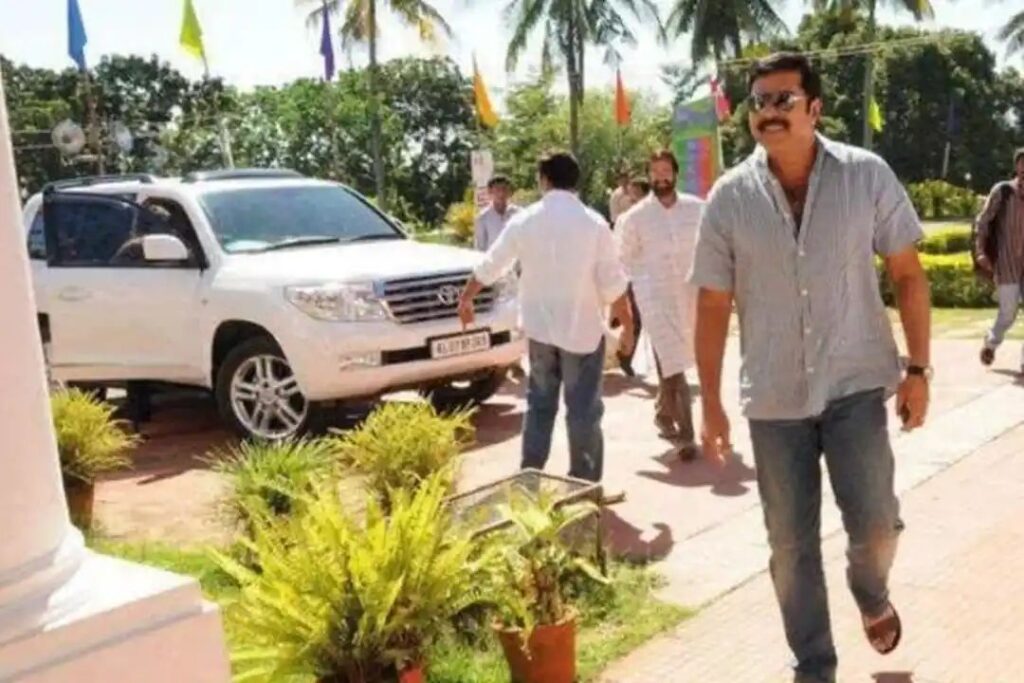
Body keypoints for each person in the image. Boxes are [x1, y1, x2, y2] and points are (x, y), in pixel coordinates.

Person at [688, 53, 931, 683]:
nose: (769, 112)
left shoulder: (866, 175)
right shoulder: (728, 199)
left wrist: (919, 369)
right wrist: (709, 400)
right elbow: (712, 304)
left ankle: (870, 592)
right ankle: (814, 664)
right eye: (759, 102)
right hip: (774, 398)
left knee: (876, 525)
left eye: (783, 100)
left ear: (815, 108)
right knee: (790, 546)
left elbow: (907, 273)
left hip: (856, 383)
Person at [458, 152, 635, 483]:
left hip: (539, 330)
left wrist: (467, 297)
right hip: (582, 331)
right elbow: (613, 282)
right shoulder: (594, 223)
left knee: (540, 404)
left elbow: (492, 263)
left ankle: (530, 477)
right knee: (583, 409)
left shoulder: (525, 221)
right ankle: (582, 484)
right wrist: (628, 325)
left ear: (544, 179)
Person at [617, 150, 702, 460]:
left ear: (675, 173)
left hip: (690, 298)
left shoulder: (697, 209)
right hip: (654, 299)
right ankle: (686, 437)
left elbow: (712, 249)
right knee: (673, 362)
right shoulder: (634, 218)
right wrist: (622, 305)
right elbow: (621, 260)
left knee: (673, 363)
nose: (661, 177)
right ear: (649, 175)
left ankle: (663, 414)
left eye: (666, 171)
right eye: (655, 172)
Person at [976, 148, 1024, 370]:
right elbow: (983, 222)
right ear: (1016, 167)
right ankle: (991, 343)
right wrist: (980, 251)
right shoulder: (1003, 192)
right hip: (1007, 263)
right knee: (1008, 314)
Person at [474, 175, 521, 252]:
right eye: (497, 189)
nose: (501, 193)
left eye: (504, 189)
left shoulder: (519, 214)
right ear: (490, 192)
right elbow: (481, 247)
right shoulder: (483, 217)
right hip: (493, 258)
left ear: (509, 192)